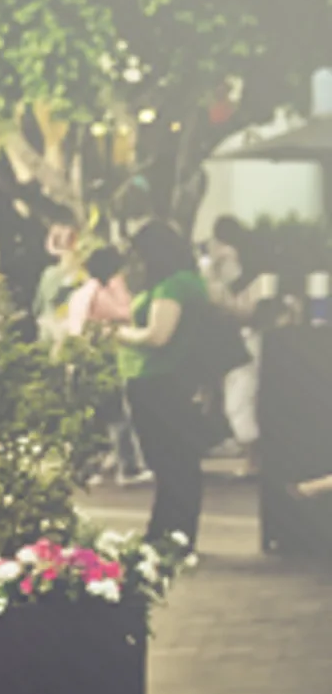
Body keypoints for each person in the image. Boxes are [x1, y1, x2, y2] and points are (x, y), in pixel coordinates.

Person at [112, 221, 208, 551]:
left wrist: (119, 334)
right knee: (177, 459)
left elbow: (157, 335)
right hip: (174, 379)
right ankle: (172, 529)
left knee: (168, 460)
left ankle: (170, 532)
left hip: (158, 380)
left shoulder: (172, 287)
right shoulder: (190, 282)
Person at [66, 247, 149, 485]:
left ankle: (88, 466)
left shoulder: (81, 293)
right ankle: (128, 468)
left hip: (80, 360)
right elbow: (126, 313)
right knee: (117, 416)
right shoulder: (100, 294)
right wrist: (121, 288)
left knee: (91, 417)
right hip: (98, 361)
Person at [203, 215, 262, 471]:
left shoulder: (239, 269)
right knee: (241, 402)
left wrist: (217, 290)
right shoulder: (247, 268)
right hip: (239, 343)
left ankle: (255, 461)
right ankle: (253, 461)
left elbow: (242, 310)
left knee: (240, 402)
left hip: (247, 342)